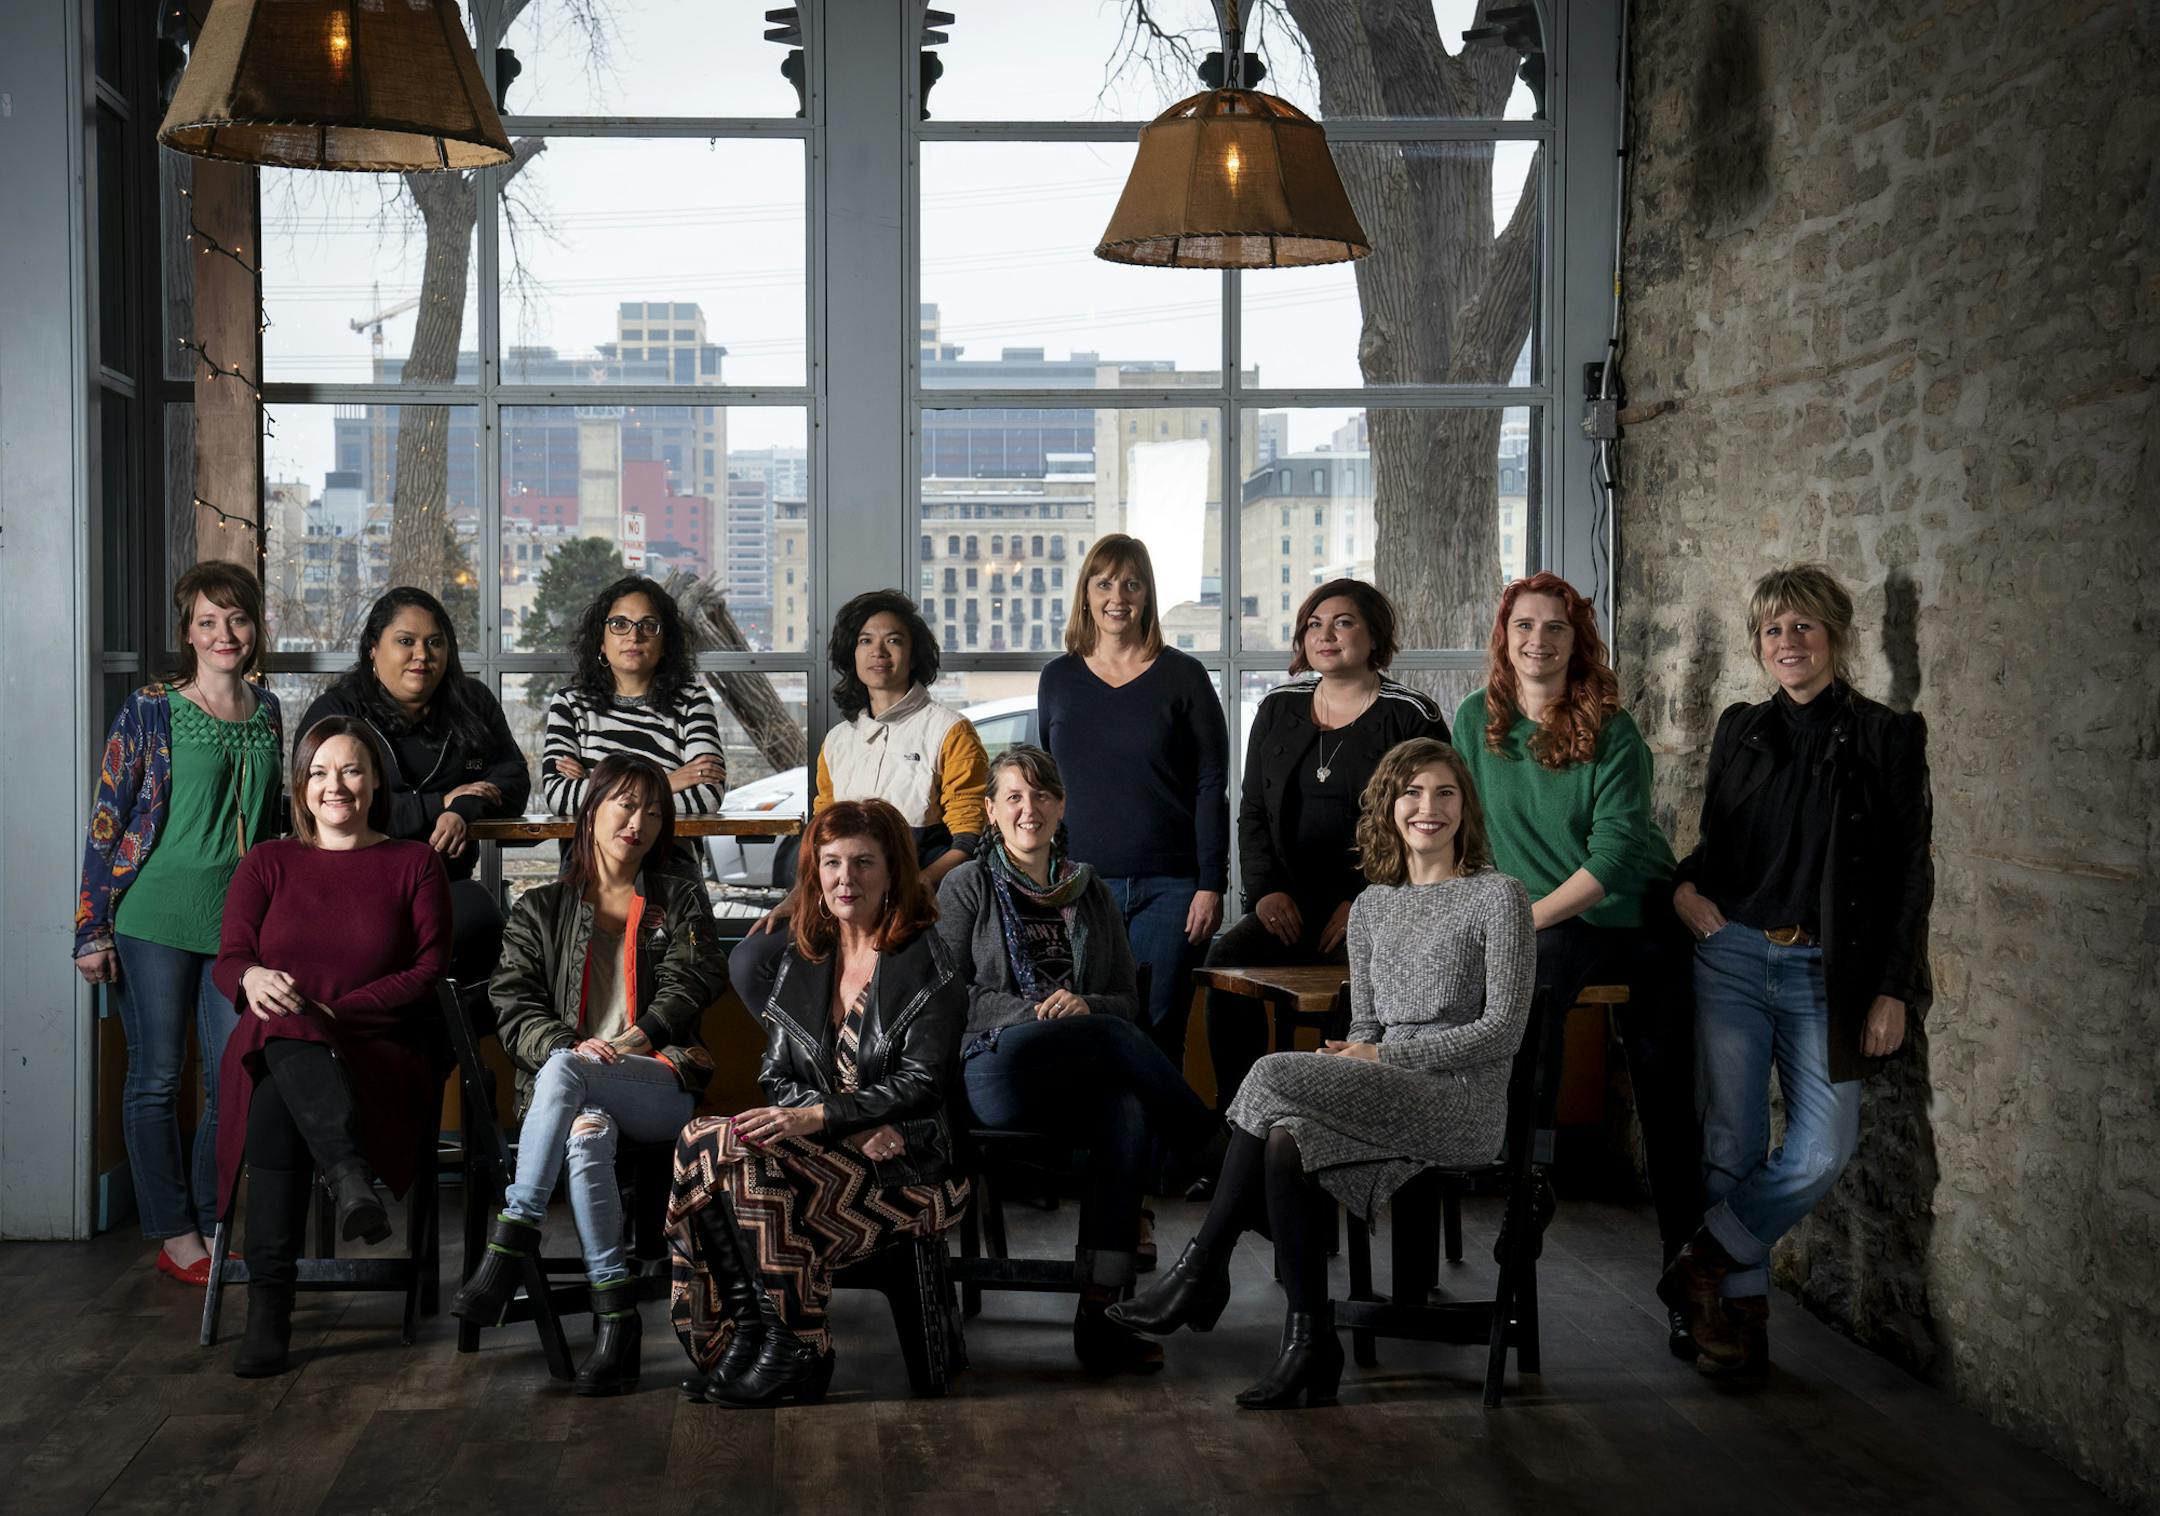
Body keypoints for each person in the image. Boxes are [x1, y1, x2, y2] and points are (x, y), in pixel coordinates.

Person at [1109, 739, 1535, 1410]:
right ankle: (1311, 1342)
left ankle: (1202, 1266)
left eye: (1445, 793)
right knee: (1286, 1136)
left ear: (1466, 808)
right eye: (1412, 793)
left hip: (1463, 1102)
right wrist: (1358, 1056)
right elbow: (1366, 1028)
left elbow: (1503, 1031)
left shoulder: (1498, 897)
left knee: (1272, 1073)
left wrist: (1381, 1059)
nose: (1428, 807)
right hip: (1390, 1090)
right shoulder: (1371, 907)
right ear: (1388, 807)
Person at [1660, 565, 1933, 1377]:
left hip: (1826, 974)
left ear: (1836, 636)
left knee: (1821, 1150)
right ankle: (1739, 1323)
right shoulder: (1740, 728)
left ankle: (1702, 1260)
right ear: (1759, 645)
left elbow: (1909, 873)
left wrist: (1892, 988)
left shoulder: (1885, 735)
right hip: (1734, 956)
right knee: (1730, 1146)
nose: (1789, 642)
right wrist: (1682, 889)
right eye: (1774, 630)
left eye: (1804, 626)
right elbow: (1719, 845)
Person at [1453, 572, 1702, 1357]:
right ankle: (1530, 1183)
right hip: (1549, 919)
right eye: (1524, 625)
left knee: (1666, 1094)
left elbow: (1618, 854)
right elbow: (1464, 832)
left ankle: (1686, 1285)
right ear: (1505, 637)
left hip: (1633, 911)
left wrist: (1521, 919)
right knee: (1533, 1006)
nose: (1539, 640)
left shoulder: (1611, 729)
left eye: (1556, 627)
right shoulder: (1475, 720)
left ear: (1577, 641)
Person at [668, 799, 968, 1409]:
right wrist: (844, 1126)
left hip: (911, 1170)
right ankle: (757, 1335)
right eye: (831, 863)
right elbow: (776, 1076)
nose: (845, 878)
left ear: (893, 871)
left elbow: (923, 1084)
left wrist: (821, 1117)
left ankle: (791, 1344)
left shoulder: (927, 961)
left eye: (863, 862)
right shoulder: (807, 955)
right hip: (841, 1149)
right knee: (706, 1137)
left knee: (742, 1164)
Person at [936, 745, 1220, 1372]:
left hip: (1077, 1065)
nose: (1028, 809)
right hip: (992, 1067)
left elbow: (1124, 1001)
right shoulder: (967, 885)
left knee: (1126, 1107)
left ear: (1061, 806)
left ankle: (1101, 1315)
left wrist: (1084, 1006)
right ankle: (1215, 1155)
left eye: (1041, 795)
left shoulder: (1089, 892)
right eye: (1013, 796)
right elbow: (950, 995)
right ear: (990, 810)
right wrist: (1035, 1013)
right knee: (1109, 1040)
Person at [452, 754, 726, 1396]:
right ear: (591, 810)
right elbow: (514, 1005)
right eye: (626, 805)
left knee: (568, 1070)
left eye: (654, 812)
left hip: (658, 1081)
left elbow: (694, 980)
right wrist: (572, 1050)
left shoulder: (679, 898)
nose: (639, 822)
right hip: (571, 1094)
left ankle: (514, 1234)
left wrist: (631, 1039)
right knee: (586, 1136)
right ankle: (615, 1318)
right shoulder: (539, 909)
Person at [212, 716, 452, 1378]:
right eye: (319, 771)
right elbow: (230, 958)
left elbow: (429, 971)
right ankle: (347, 1175)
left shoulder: (414, 863)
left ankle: (269, 1312)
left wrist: (333, 1014)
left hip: (376, 1049)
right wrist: (251, 977)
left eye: (350, 770)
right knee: (277, 1049)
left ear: (375, 781)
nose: (334, 785)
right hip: (281, 1049)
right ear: (300, 784)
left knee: (280, 1055)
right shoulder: (267, 862)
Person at [74, 562, 283, 1286]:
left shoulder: (269, 710)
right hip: (153, 917)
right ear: (187, 632)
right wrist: (91, 927)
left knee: (233, 1081)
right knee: (158, 1078)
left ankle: (215, 1225)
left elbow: (270, 824)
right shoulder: (151, 709)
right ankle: (176, 1234)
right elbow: (108, 819)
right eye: (207, 621)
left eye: (237, 619)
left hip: (238, 928)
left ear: (254, 628)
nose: (224, 634)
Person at [1204, 578, 1449, 1117]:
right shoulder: (1278, 707)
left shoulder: (1411, 715)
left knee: (1355, 990)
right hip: (1287, 906)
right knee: (1226, 961)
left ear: (1373, 634)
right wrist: (1265, 892)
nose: (1326, 635)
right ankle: (1242, 1116)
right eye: (1314, 625)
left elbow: (1429, 828)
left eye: (1343, 623)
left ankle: (1328, 1122)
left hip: (1377, 910)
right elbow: (1252, 811)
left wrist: (1366, 900)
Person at [729, 589, 987, 1014]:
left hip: (913, 901)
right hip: (841, 897)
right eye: (865, 640)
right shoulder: (838, 741)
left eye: (893, 640)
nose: (878, 651)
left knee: (882, 979)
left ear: (914, 653)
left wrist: (920, 883)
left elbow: (968, 837)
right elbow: (821, 840)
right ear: (852, 654)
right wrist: (799, 895)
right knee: (751, 961)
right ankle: (810, 1050)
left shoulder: (950, 731)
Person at [1038, 534, 1228, 1073]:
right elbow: (1047, 787)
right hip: (1078, 887)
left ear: (1147, 595)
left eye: (1131, 584)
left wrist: (1211, 882)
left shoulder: (1184, 676)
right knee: (1083, 1032)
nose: (1117, 596)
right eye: (1104, 584)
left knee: (1157, 1029)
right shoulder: (1058, 678)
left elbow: (1211, 783)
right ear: (1086, 594)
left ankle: (1163, 1134)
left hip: (1171, 890)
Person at [296, 588, 528, 1017]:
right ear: (373, 647)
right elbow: (331, 805)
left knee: (486, 925)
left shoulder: (472, 702)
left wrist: (463, 809)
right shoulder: (338, 712)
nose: (422, 655)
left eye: (434, 642)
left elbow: (513, 779)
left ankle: (459, 1055)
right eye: (406, 641)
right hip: (357, 887)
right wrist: (440, 804)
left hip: (443, 886)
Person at [542, 575, 727, 881]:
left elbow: (707, 795)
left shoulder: (692, 701)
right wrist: (668, 782)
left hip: (670, 866)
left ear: (665, 643)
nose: (634, 636)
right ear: (601, 641)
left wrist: (597, 790)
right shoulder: (570, 704)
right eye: (619, 624)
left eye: (648, 626)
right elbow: (559, 797)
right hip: (588, 865)